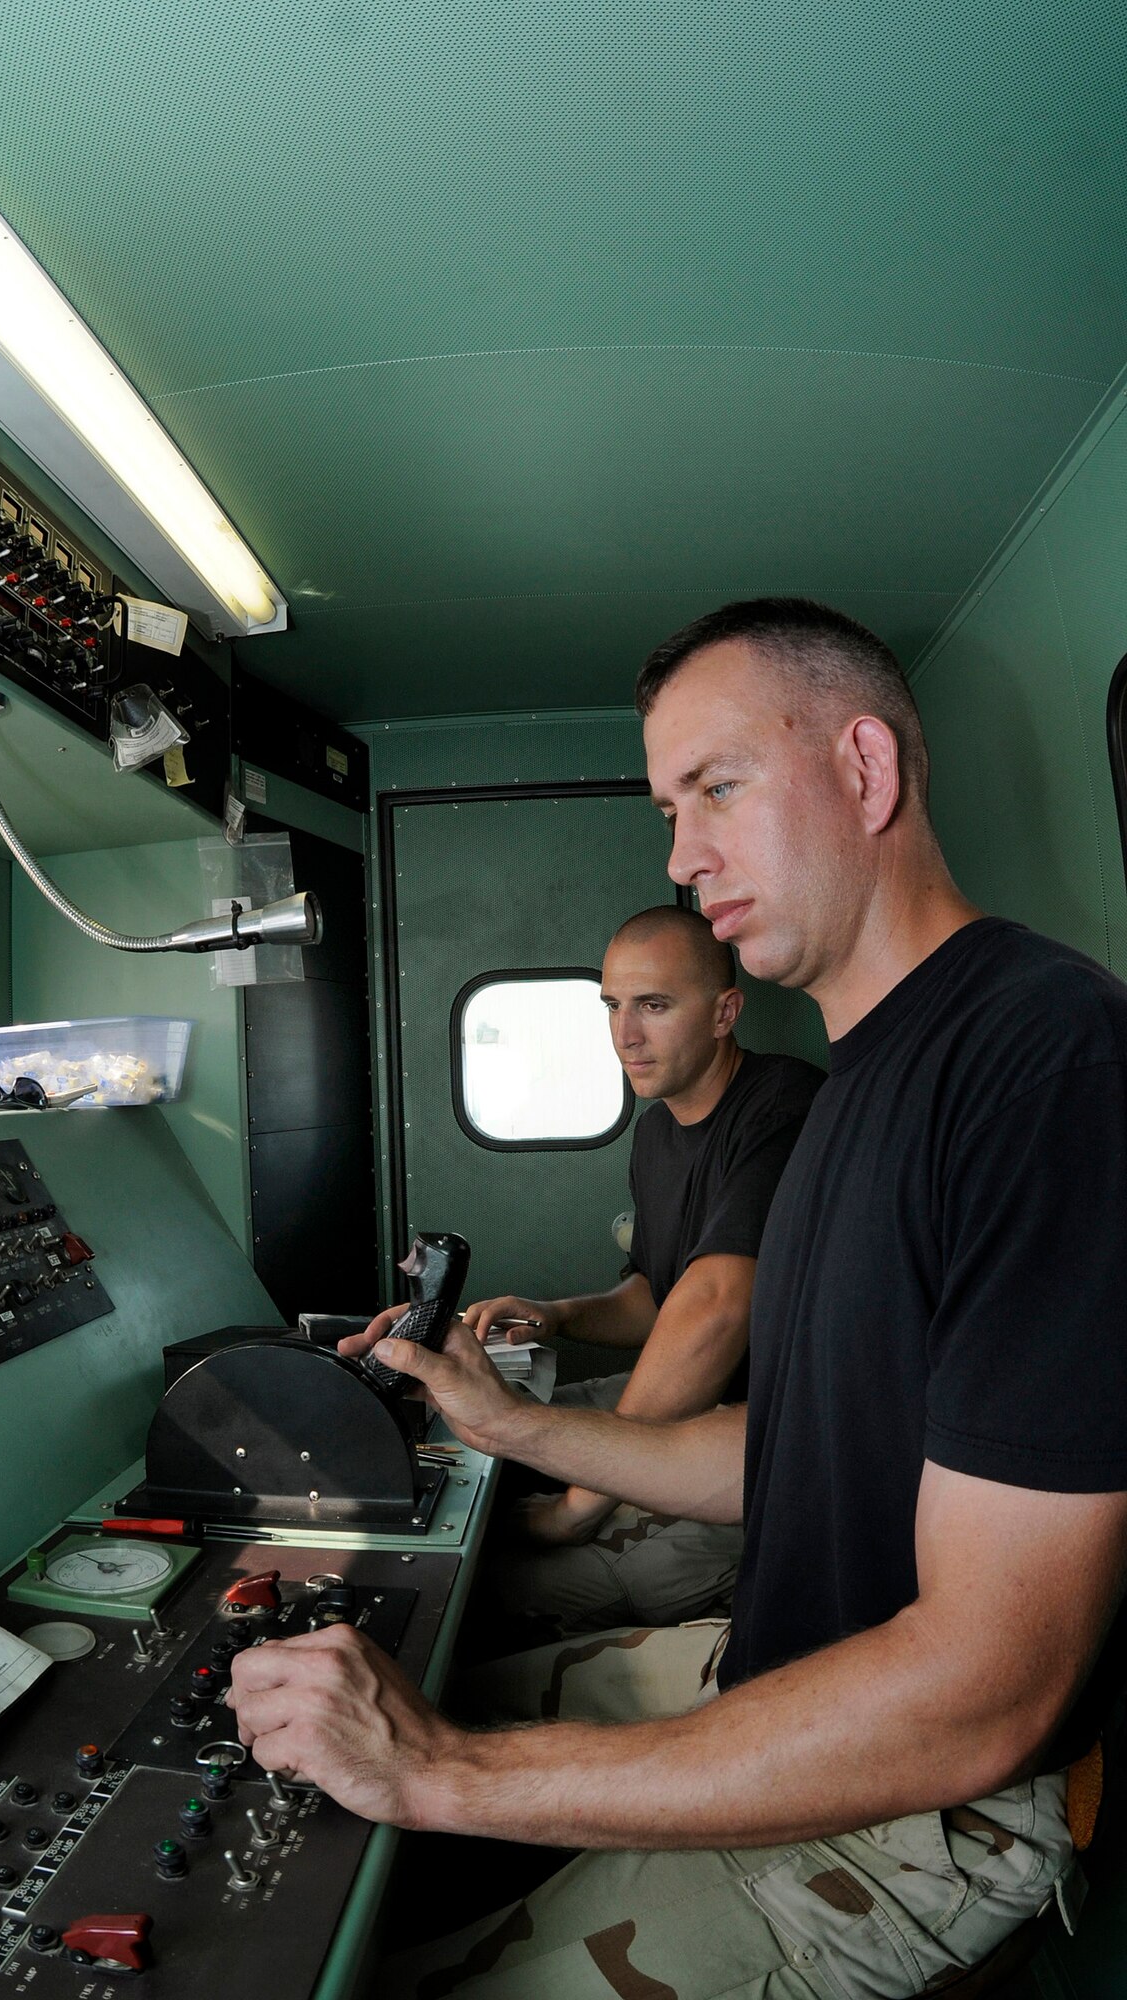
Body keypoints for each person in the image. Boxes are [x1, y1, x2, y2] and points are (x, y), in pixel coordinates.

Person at [226, 597, 1127, 1999]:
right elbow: (796, 1452)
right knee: (396, 1715)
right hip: (777, 1668)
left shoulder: (1043, 1064)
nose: (681, 855)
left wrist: (450, 1774)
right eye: (668, 807)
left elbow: (985, 1689)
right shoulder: (855, 1087)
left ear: (867, 772)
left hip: (910, 1814)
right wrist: (505, 1426)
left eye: (718, 788)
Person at [466, 903, 823, 1640]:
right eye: (613, 1005)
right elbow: (655, 1298)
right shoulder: (657, 1133)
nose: (624, 1034)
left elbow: (718, 1304)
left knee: (521, 1582)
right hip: (691, 1401)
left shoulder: (785, 1106)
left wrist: (580, 1505)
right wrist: (559, 1313)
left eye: (654, 1006)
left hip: (778, 1436)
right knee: (501, 1442)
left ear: (725, 1012)